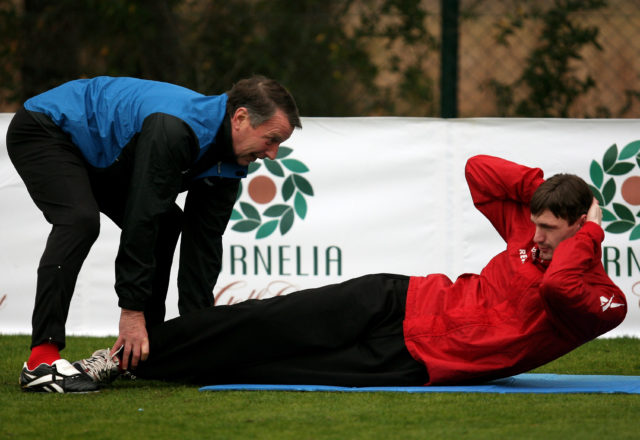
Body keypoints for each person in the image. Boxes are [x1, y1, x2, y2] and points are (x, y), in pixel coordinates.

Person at [76, 154, 627, 388]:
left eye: (553, 230)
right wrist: (543, 192)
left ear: (582, 227)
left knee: (278, 367)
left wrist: (589, 236)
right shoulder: (528, 233)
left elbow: (559, 288)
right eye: (535, 224)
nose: (537, 237)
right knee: (270, 320)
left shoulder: (604, 299)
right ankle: (123, 357)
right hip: (401, 298)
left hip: (416, 360)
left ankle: (144, 371)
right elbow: (478, 170)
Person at [8, 75, 301, 393]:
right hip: (46, 127)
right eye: (270, 139)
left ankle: (143, 355)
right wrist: (131, 312)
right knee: (79, 220)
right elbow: (142, 218)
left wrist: (200, 335)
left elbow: (202, 247)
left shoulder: (231, 158)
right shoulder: (173, 130)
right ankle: (41, 360)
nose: (272, 154)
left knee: (165, 223)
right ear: (241, 118)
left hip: (100, 150)